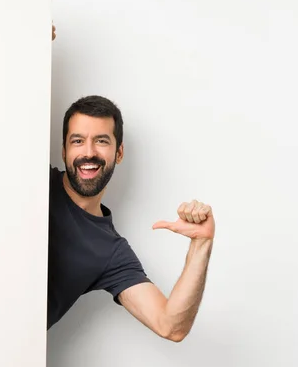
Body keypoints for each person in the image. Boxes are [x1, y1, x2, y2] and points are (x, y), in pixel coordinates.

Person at [47, 94, 214, 342]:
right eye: (78, 141)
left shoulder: (110, 251)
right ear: (64, 150)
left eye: (102, 141)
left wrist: (202, 244)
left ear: (119, 152)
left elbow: (171, 326)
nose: (89, 152)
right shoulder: (32, 182)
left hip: (3, 363)